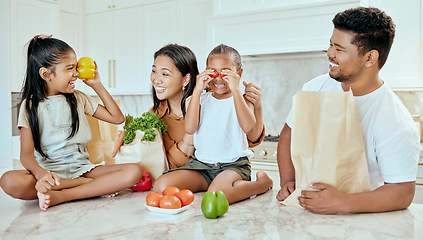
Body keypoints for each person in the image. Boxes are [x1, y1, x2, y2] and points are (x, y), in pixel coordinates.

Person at [276, 7, 420, 214]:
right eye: (330, 44)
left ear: (370, 58)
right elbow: (289, 134)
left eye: (339, 49)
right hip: (305, 213)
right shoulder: (314, 87)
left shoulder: (395, 121)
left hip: (363, 223)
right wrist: (288, 181)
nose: (330, 53)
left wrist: (342, 202)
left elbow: (402, 192)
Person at [0, 35, 142, 211]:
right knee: (9, 180)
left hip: (83, 169)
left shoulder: (78, 98)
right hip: (49, 171)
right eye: (69, 68)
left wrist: (97, 85)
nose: (76, 73)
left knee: (134, 172)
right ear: (45, 74)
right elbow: (26, 155)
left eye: (75, 67)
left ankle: (62, 195)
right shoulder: (29, 106)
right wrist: (42, 175)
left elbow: (117, 118)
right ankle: (88, 187)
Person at [154, 44, 273, 204]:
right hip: (202, 166)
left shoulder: (243, 100)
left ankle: (262, 184)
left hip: (233, 166)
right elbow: (190, 128)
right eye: (212, 71)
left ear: (239, 73)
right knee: (161, 185)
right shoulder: (197, 100)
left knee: (217, 194)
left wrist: (236, 90)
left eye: (226, 72)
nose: (218, 78)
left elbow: (248, 128)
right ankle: (223, 185)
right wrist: (197, 90)